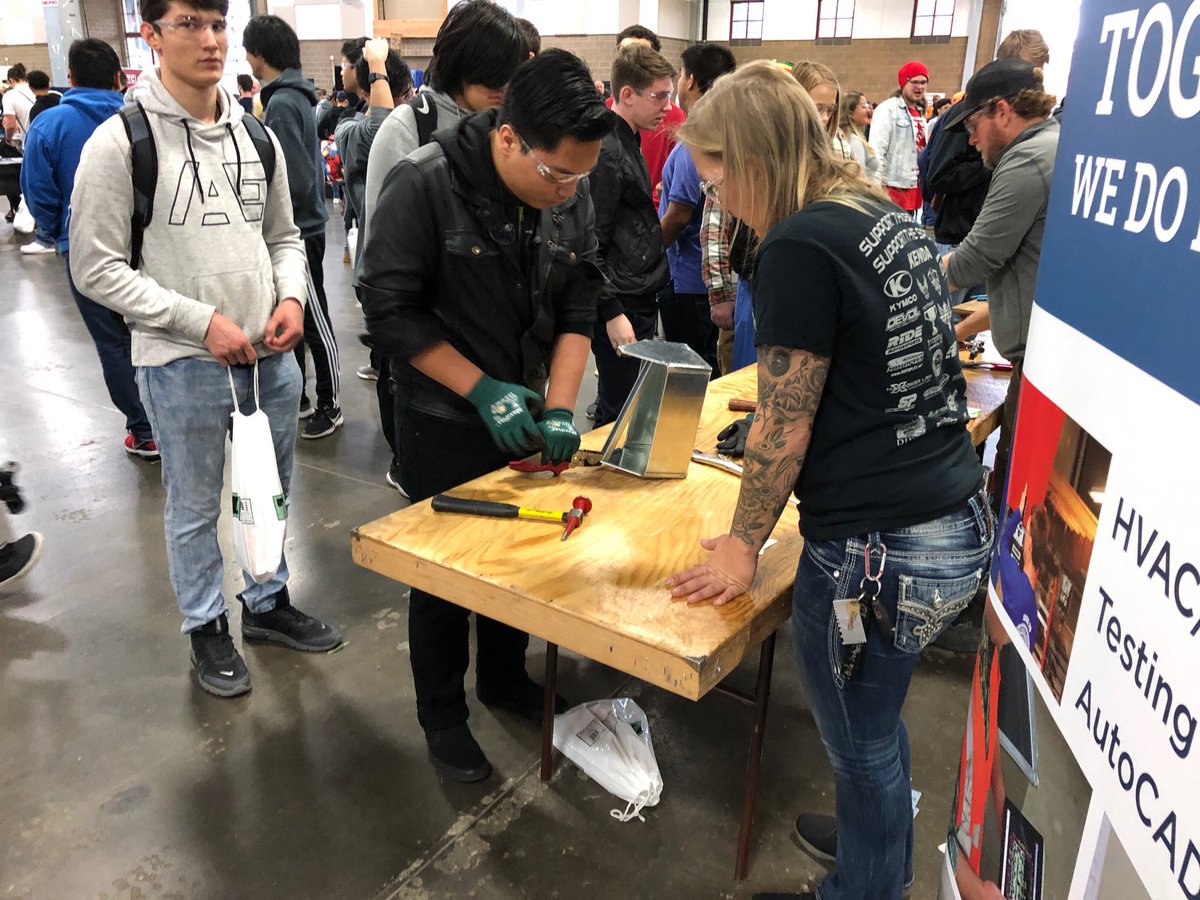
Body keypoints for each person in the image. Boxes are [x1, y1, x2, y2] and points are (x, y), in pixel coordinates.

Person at [664, 61, 991, 900]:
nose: (720, 194)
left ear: (757, 156)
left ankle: (864, 887)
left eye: (720, 172)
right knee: (873, 724)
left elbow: (782, 419)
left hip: (873, 555)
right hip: (948, 519)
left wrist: (741, 548)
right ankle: (868, 837)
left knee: (859, 740)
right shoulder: (870, 209)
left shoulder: (799, 242)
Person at [70, 0, 341, 698]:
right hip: (181, 363)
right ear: (153, 36)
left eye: (219, 25)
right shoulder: (119, 143)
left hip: (268, 356)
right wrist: (199, 322)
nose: (211, 40)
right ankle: (205, 627)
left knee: (267, 493)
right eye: (189, 23)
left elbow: (285, 236)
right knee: (193, 508)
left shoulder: (257, 136)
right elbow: (94, 267)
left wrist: (287, 299)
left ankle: (268, 603)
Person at [359, 49, 611, 783]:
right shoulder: (425, 184)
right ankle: (442, 715)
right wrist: (479, 390)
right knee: (443, 574)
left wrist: (560, 407)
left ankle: (504, 678)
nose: (567, 192)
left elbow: (579, 301)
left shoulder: (568, 187)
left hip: (530, 410)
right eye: (557, 174)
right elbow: (390, 311)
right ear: (507, 138)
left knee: (516, 566)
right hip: (442, 415)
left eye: (581, 178)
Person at [363, 0, 527, 491]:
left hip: (501, 342)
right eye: (491, 77)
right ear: (459, 66)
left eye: (509, 76)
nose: (502, 89)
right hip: (431, 353)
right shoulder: (407, 128)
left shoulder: (507, 127)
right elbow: (383, 264)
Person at [20, 39, 160, 458]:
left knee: (113, 342)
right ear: (120, 77)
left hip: (86, 253)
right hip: (151, 244)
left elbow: (38, 191)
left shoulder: (51, 124)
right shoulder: (145, 121)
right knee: (159, 331)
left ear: (71, 79)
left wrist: (59, 231)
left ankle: (145, 429)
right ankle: (174, 418)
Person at [941, 59, 1059, 519]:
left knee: (1013, 488)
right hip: (1038, 350)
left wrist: (894, 282)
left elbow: (975, 258)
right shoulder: (1053, 145)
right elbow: (1033, 260)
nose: (971, 139)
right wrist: (985, 317)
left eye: (974, 124)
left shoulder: (1027, 159)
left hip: (1037, 365)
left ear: (1003, 111)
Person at [244, 14, 343, 439]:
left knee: (313, 318)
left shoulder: (282, 102)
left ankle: (331, 403)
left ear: (259, 54)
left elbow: (296, 177)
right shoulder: (287, 96)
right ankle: (302, 397)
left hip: (299, 230)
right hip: (299, 226)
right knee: (294, 314)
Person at [334, 38, 413, 492]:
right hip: (380, 268)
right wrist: (377, 65)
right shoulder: (349, 130)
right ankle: (401, 457)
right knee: (392, 370)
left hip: (415, 266)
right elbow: (382, 123)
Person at [589, 44, 673, 426]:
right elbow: (590, 240)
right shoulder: (607, 149)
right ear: (627, 94)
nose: (667, 107)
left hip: (636, 291)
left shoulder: (628, 138)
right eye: (658, 96)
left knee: (631, 406)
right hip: (621, 299)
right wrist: (611, 312)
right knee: (618, 413)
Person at [658, 42, 736, 373]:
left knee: (691, 377)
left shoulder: (699, 139)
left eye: (678, 74)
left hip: (688, 282)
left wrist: (647, 253)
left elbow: (679, 215)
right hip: (704, 280)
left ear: (689, 80)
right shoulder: (725, 132)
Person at [613, 24, 686, 206]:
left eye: (641, 54)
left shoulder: (673, 117)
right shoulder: (604, 131)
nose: (632, 60)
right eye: (626, 52)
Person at [871, 61, 929, 219]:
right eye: (915, 82)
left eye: (923, 82)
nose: (920, 87)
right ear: (904, 83)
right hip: (892, 188)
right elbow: (876, 150)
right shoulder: (887, 109)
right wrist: (876, 189)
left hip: (914, 186)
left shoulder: (920, 112)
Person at [2, 63, 34, 150]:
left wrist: (8, 139)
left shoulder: (9, 96)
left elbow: (10, 125)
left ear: (11, 80)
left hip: (29, 143)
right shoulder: (36, 90)